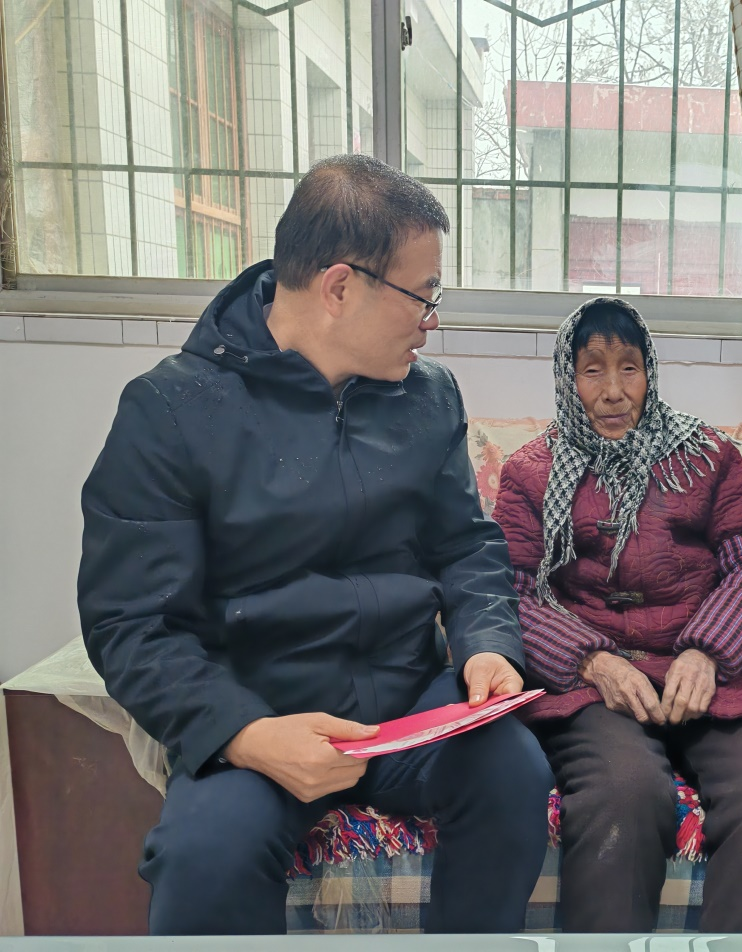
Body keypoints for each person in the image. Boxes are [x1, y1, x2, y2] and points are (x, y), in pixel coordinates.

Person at [78, 154, 553, 935]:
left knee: (512, 775)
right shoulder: (171, 411)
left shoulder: (428, 397)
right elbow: (130, 623)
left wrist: (487, 646)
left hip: (407, 704)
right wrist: (246, 734)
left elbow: (467, 549)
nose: (431, 321)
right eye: (423, 295)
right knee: (204, 857)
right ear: (339, 287)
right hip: (261, 708)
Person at [491, 298, 742, 932]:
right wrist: (593, 661)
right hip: (594, 685)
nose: (614, 391)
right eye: (592, 370)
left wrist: (709, 650)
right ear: (567, 377)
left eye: (629, 368)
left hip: (716, 676)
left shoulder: (707, 456)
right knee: (623, 791)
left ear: (650, 371)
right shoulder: (531, 471)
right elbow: (513, 589)